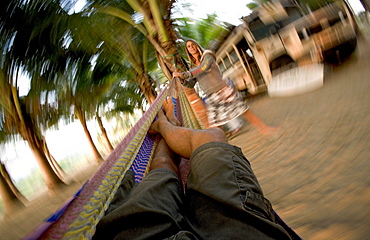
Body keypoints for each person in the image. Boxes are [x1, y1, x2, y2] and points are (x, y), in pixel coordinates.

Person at [93, 100, 298, 240]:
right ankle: (167, 124)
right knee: (212, 136)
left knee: (164, 168)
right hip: (242, 230)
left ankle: (165, 124)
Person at [173, 39, 276, 135]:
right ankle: (221, 144)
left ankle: (264, 128)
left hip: (223, 90)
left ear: (197, 45)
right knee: (215, 123)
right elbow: (191, 83)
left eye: (193, 45)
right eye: (189, 47)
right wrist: (182, 80)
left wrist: (184, 74)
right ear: (188, 51)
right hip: (211, 96)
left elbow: (203, 68)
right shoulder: (192, 67)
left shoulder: (207, 56)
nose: (191, 47)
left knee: (243, 110)